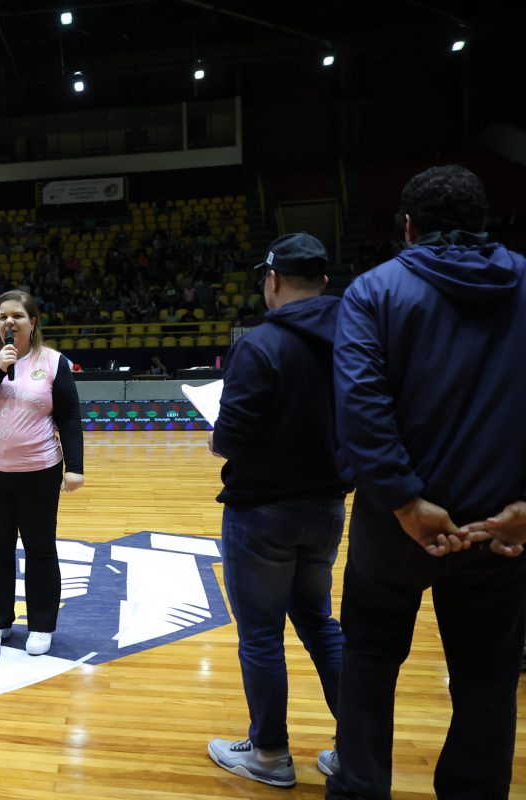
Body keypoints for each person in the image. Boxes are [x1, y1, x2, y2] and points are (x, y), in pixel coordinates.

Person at [328, 165, 526, 799]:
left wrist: (406, 501)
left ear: (409, 227)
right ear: (484, 223)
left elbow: (361, 406)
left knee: (369, 660)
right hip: (502, 528)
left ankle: (361, 789)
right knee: (488, 678)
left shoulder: (373, 291)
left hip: (395, 529)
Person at [204, 232, 349, 787]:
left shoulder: (260, 344)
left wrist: (216, 439)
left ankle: (269, 753)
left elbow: (233, 437)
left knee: (261, 633)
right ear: (324, 282)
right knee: (318, 620)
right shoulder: (356, 335)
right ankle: (357, 746)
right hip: (329, 505)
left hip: (263, 511)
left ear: (272, 281)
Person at [0, 290, 84, 656]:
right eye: (2, 317)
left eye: (17, 316)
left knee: (40, 548)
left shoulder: (54, 362)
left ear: (32, 322)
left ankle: (41, 625)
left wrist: (75, 467)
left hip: (40, 470)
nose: (9, 322)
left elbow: (69, 417)